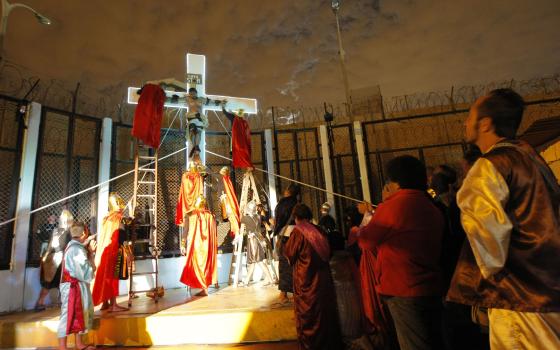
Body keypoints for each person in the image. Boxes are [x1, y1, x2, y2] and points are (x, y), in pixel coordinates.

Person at [446, 88, 560, 349]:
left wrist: (479, 287)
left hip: (519, 296)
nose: (465, 122)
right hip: (547, 288)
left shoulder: (491, 166)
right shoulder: (531, 158)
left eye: (470, 115)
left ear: (485, 123)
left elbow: (489, 247)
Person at [354, 155, 445, 350]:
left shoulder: (394, 205)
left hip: (403, 288)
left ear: (395, 183)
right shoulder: (431, 206)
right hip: (431, 285)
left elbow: (365, 242)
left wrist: (368, 216)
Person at [284, 203, 342, 350]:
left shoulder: (298, 232)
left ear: (296, 217)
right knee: (323, 313)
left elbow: (289, 254)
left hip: (306, 280)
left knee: (308, 315)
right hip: (323, 280)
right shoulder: (319, 230)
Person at [58, 222, 96, 350]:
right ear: (84, 233)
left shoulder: (74, 247)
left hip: (73, 286)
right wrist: (91, 253)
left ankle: (79, 344)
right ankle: (62, 347)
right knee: (68, 315)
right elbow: (86, 272)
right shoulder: (76, 250)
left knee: (78, 314)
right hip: (73, 287)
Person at [92, 193, 129, 312]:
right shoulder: (119, 218)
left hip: (104, 252)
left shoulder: (106, 218)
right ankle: (114, 305)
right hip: (114, 251)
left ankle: (105, 303)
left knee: (106, 277)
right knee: (113, 277)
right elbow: (121, 236)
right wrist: (128, 252)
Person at [180, 195, 218, 296]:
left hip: (195, 246)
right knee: (205, 265)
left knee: (194, 266)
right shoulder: (210, 216)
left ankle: (201, 288)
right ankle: (204, 288)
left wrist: (183, 245)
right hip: (207, 246)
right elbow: (214, 232)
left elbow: (185, 231)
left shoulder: (190, 214)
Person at [35, 210, 73, 311]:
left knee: (50, 283)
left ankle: (42, 302)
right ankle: (57, 303)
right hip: (60, 260)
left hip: (52, 259)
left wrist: (46, 257)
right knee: (62, 282)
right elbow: (64, 246)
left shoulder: (56, 230)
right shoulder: (68, 232)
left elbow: (50, 246)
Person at [273, 183, 300, 304]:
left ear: (288, 191)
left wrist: (277, 230)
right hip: (298, 234)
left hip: (285, 235)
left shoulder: (283, 203)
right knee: (296, 263)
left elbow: (279, 219)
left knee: (284, 263)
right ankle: (296, 293)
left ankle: (283, 294)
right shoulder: (298, 203)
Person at [239, 201, 276, 286]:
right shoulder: (259, 217)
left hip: (253, 242)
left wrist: (241, 210)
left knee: (259, 262)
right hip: (259, 240)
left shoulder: (245, 218)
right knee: (253, 262)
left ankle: (271, 280)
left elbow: (240, 219)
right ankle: (246, 281)